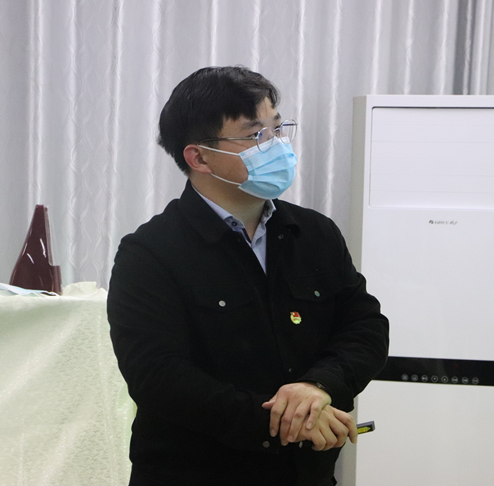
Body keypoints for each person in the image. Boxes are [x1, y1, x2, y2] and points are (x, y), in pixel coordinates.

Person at [107, 66, 389, 486]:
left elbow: (365, 327)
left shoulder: (315, 233)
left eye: (277, 129)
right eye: (255, 135)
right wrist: (285, 422)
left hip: (305, 475)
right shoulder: (150, 252)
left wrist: (318, 386)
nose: (275, 145)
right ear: (199, 157)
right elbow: (159, 377)